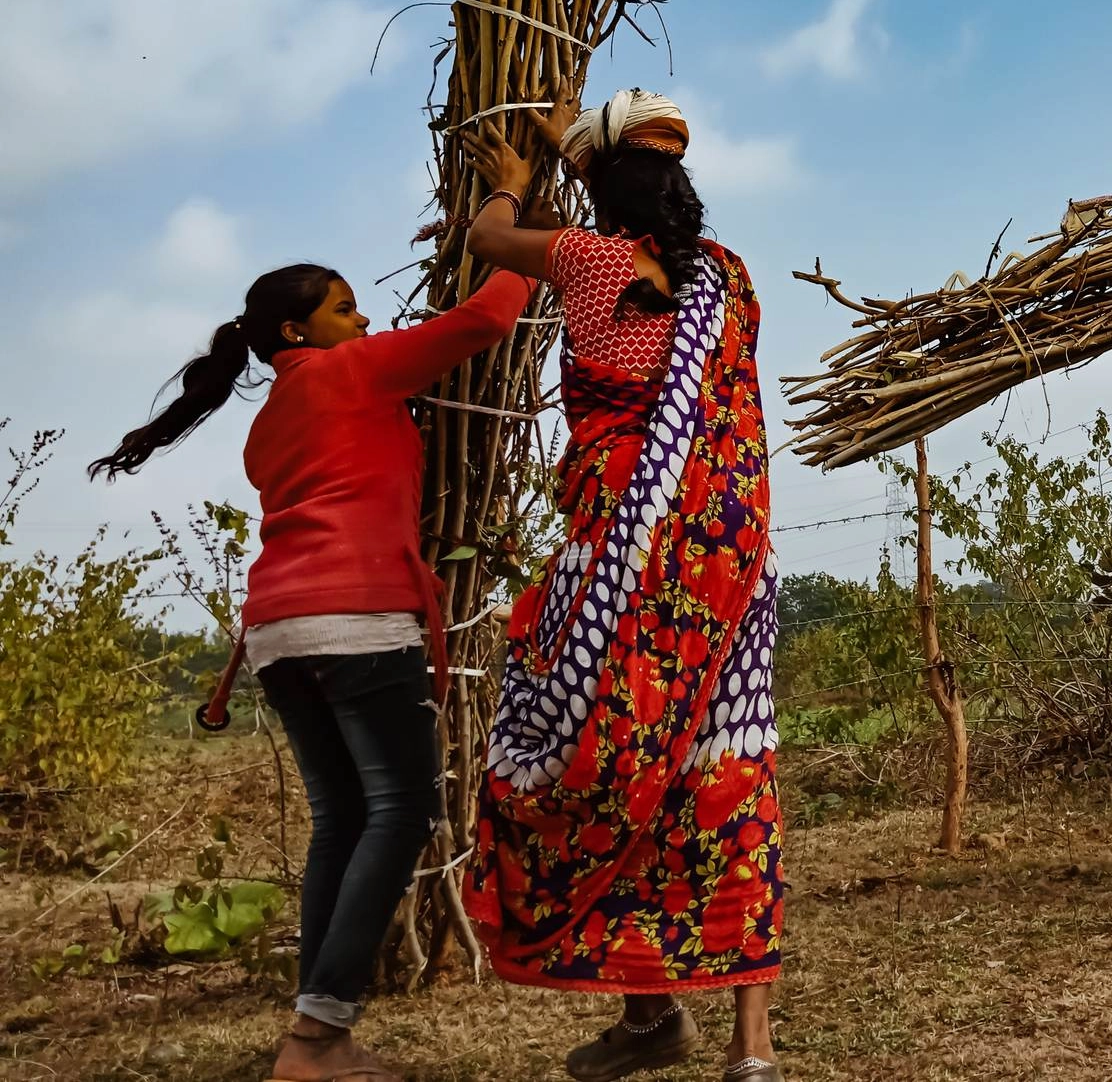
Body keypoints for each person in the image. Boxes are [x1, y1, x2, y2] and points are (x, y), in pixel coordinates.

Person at [91, 260, 534, 1081]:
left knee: (342, 819)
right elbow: (485, 320)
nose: (364, 323)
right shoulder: (354, 370)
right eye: (345, 309)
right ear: (297, 332)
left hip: (277, 634)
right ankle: (315, 1036)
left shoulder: (271, 420)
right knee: (401, 814)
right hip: (357, 621)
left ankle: (318, 1033)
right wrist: (514, 230)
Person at [459, 89, 784, 1082]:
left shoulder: (588, 260)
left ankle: (649, 1013)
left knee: (614, 761)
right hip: (727, 564)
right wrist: (583, 156)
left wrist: (519, 180)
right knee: (723, 771)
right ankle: (742, 1046)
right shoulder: (729, 281)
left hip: (625, 561)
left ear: (598, 188)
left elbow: (487, 236)